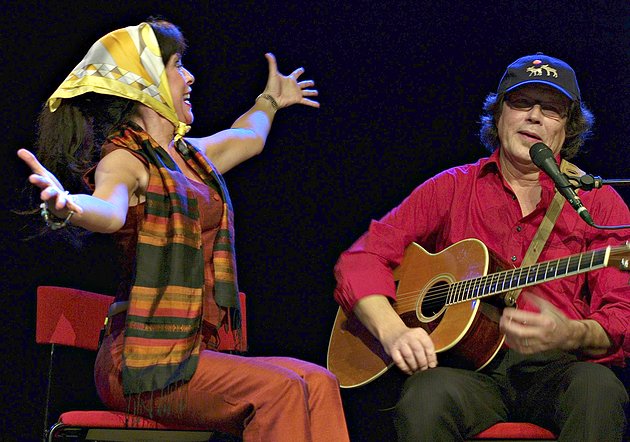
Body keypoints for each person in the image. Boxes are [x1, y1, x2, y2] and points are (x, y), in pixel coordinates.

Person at [19, 19, 349, 442]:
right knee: (280, 390)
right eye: (177, 65)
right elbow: (109, 210)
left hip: (191, 354)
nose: (189, 77)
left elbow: (248, 136)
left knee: (319, 382)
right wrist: (68, 207)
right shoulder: (124, 159)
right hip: (139, 363)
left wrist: (269, 101)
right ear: (146, 82)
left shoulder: (191, 159)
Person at [333, 53, 629, 441]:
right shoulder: (452, 187)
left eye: (551, 109)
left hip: (558, 371)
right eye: (521, 102)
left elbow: (623, 315)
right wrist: (392, 331)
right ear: (499, 114)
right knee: (425, 395)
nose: (534, 116)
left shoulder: (599, 204)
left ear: (568, 127)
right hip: (469, 371)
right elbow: (361, 257)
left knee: (599, 390)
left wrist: (572, 333)